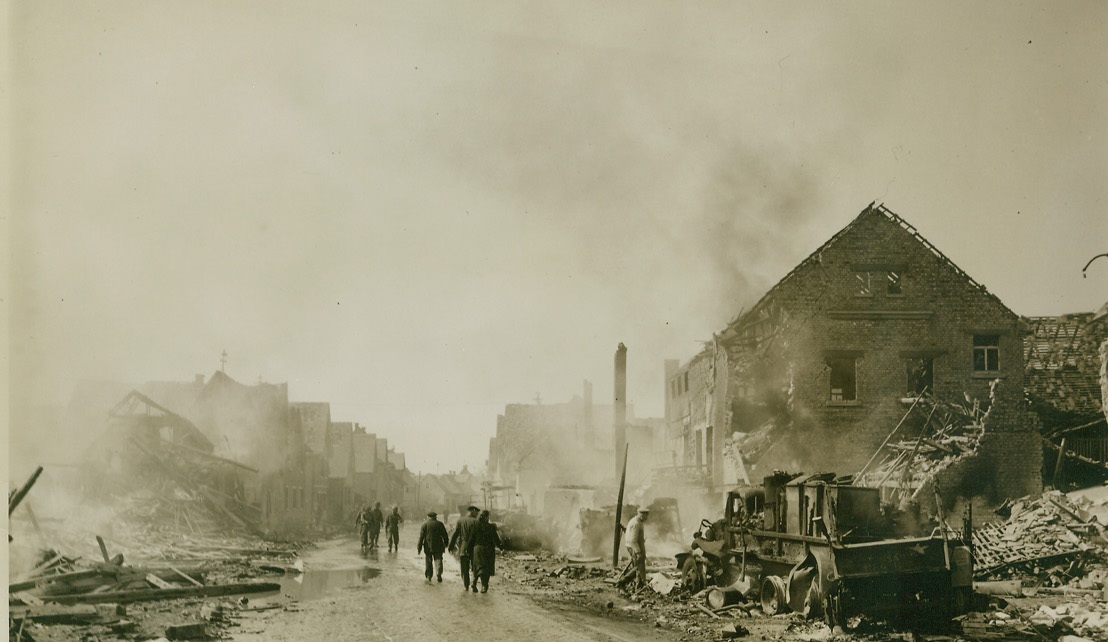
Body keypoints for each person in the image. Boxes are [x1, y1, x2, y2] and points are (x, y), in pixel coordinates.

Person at [466, 509, 504, 593]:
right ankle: (484, 586)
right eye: (488, 517)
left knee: (477, 567)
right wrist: (501, 548)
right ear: (486, 518)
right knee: (486, 569)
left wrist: (468, 550)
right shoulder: (491, 527)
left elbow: (471, 539)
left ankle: (474, 583)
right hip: (488, 550)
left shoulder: (475, 526)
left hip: (477, 549)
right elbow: (496, 539)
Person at [448, 505, 481, 592]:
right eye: (476, 512)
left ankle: (466, 585)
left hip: (463, 547)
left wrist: (450, 546)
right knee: (475, 566)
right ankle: (473, 583)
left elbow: (455, 534)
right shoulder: (477, 522)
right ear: (473, 511)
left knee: (464, 567)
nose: (477, 514)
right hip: (474, 547)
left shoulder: (460, 521)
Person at [417, 511, 449, 583]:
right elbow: (445, 535)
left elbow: (421, 537)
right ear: (435, 517)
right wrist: (446, 543)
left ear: (428, 517)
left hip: (428, 546)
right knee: (438, 560)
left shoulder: (424, 525)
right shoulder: (440, 524)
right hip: (438, 545)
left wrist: (419, 548)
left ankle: (429, 576)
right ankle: (438, 574)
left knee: (428, 561)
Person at [624, 508, 649, 589]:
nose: (646, 517)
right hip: (634, 547)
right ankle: (622, 582)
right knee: (638, 568)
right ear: (640, 514)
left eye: (647, 515)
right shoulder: (636, 523)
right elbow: (633, 541)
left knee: (639, 568)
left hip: (635, 547)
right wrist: (638, 552)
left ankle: (639, 585)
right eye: (645, 515)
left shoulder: (638, 522)